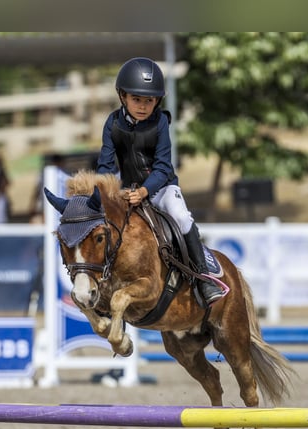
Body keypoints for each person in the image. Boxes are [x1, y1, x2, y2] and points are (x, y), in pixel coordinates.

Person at [96, 57, 224, 306]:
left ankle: (203, 277)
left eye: (149, 101)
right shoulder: (112, 123)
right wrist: (111, 191)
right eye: (137, 99)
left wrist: (144, 191)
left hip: (161, 187)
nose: (143, 106)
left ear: (157, 101)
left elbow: (164, 166)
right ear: (122, 96)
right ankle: (100, 279)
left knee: (180, 216)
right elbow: (105, 164)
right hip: (126, 191)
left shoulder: (161, 122)